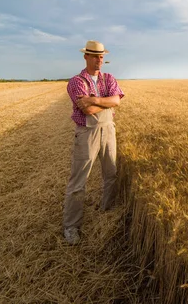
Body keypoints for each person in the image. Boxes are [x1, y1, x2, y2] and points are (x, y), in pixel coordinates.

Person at [63, 40, 125, 245]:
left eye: (101, 56)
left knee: (111, 174)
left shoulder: (109, 78)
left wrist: (94, 100)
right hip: (87, 132)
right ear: (86, 57)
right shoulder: (76, 81)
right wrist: (105, 101)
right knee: (79, 181)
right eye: (95, 56)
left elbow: (117, 100)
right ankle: (71, 226)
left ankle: (106, 210)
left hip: (108, 130)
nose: (99, 60)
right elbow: (87, 110)